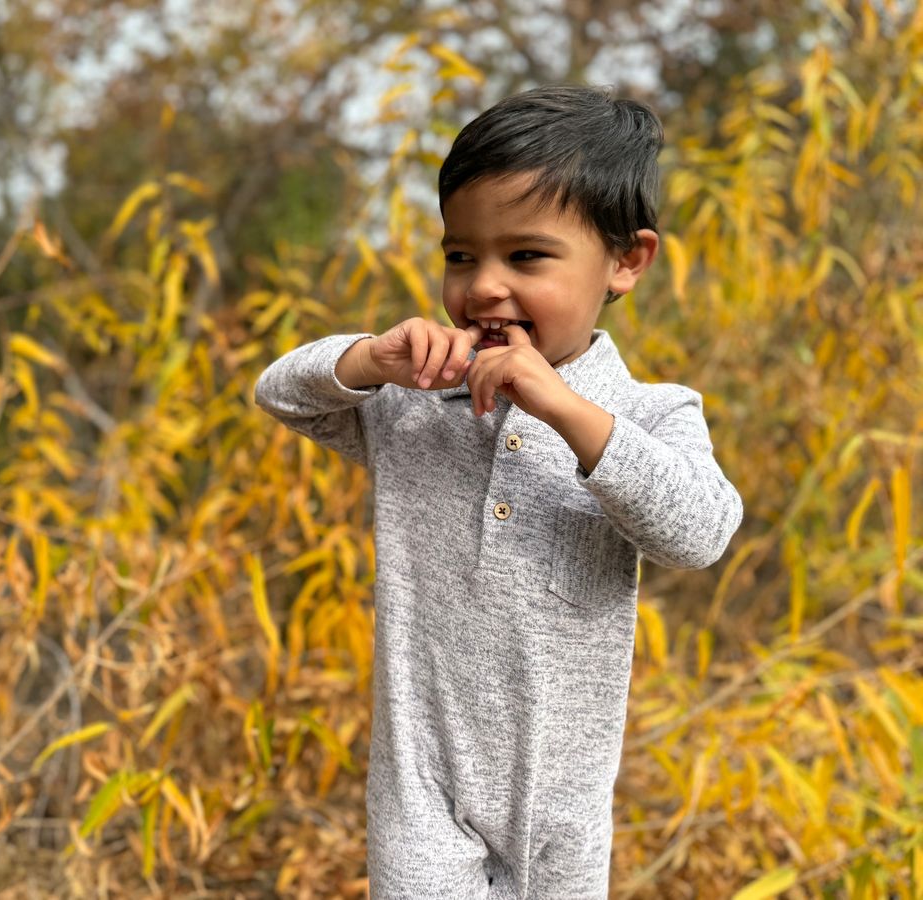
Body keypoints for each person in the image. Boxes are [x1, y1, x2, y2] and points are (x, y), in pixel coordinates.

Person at [253, 84, 742, 898]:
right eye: (459, 256)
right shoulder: (414, 405)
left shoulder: (649, 414)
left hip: (563, 807)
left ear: (626, 262)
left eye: (526, 257)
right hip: (423, 791)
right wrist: (371, 359)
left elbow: (700, 531)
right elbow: (282, 392)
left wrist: (559, 404)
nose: (482, 287)